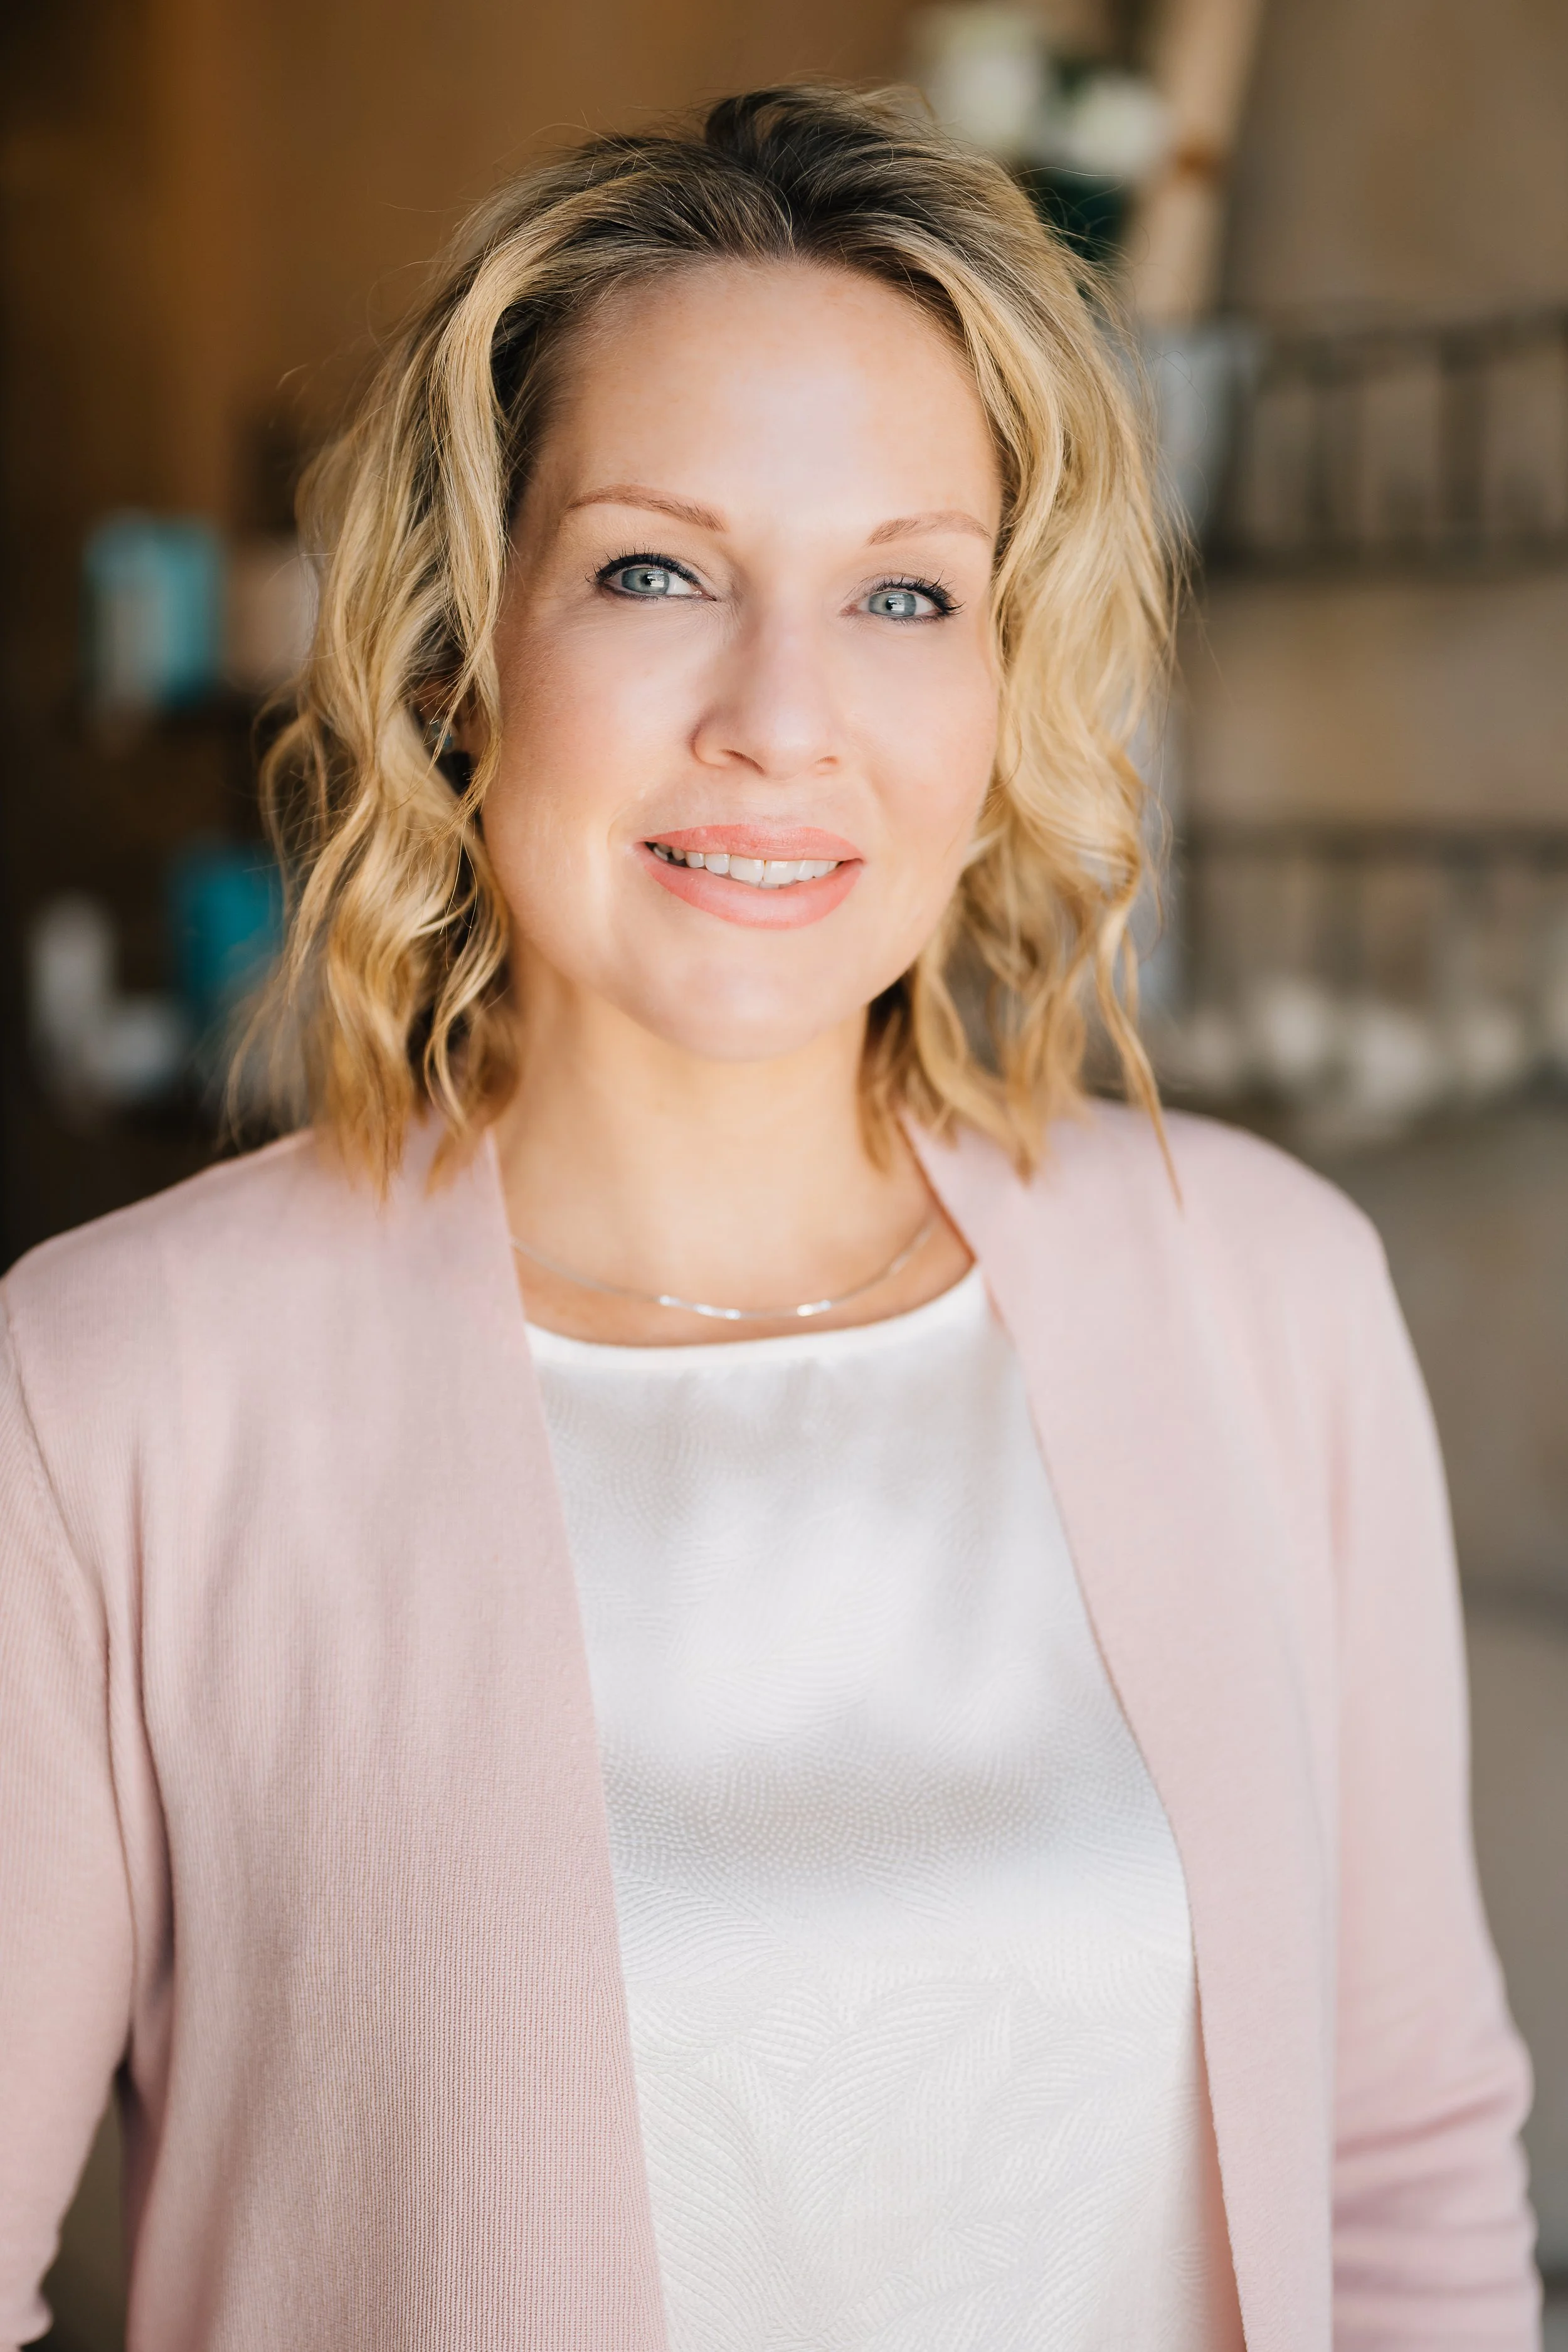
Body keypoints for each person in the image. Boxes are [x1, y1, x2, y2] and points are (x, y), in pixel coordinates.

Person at [0, 85, 1538, 2352]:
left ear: (1005, 680)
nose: (783, 717)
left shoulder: (1268, 1296)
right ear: (460, 646)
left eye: (905, 591)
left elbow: (1402, 2181)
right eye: (652, 570)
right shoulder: (116, 1384)